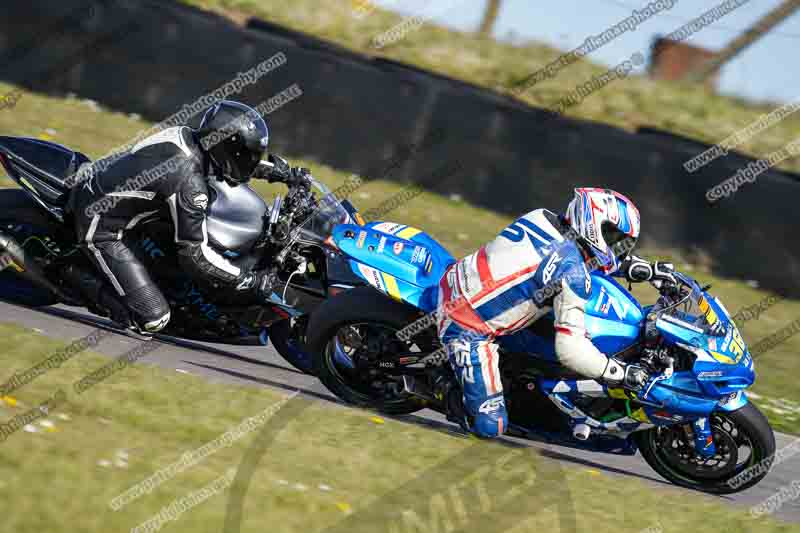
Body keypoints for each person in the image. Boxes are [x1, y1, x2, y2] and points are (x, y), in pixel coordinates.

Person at [435, 187, 675, 438]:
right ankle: (446, 389)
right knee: (490, 427)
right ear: (593, 223)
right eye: (613, 236)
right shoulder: (573, 274)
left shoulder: (543, 216)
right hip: (465, 326)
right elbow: (570, 351)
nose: (617, 247)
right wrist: (620, 372)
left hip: (459, 277)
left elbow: (576, 257)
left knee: (541, 351)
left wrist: (644, 269)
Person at [66, 100, 307, 335]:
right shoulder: (189, 183)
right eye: (247, 154)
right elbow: (195, 255)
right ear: (225, 147)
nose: (249, 159)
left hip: (129, 206)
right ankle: (70, 274)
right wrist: (249, 280)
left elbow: (231, 163)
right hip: (102, 224)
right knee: (153, 319)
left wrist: (278, 172)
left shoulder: (190, 138)